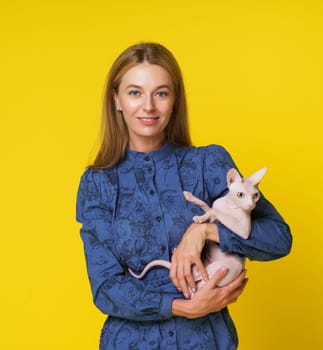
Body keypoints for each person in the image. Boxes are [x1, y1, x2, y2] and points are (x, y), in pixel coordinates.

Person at [76, 42, 292, 350]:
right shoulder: (97, 183)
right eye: (135, 92)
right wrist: (183, 307)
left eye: (161, 93)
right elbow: (106, 287)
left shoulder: (208, 164)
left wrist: (205, 230)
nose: (148, 106)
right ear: (117, 100)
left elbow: (278, 238)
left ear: (175, 100)